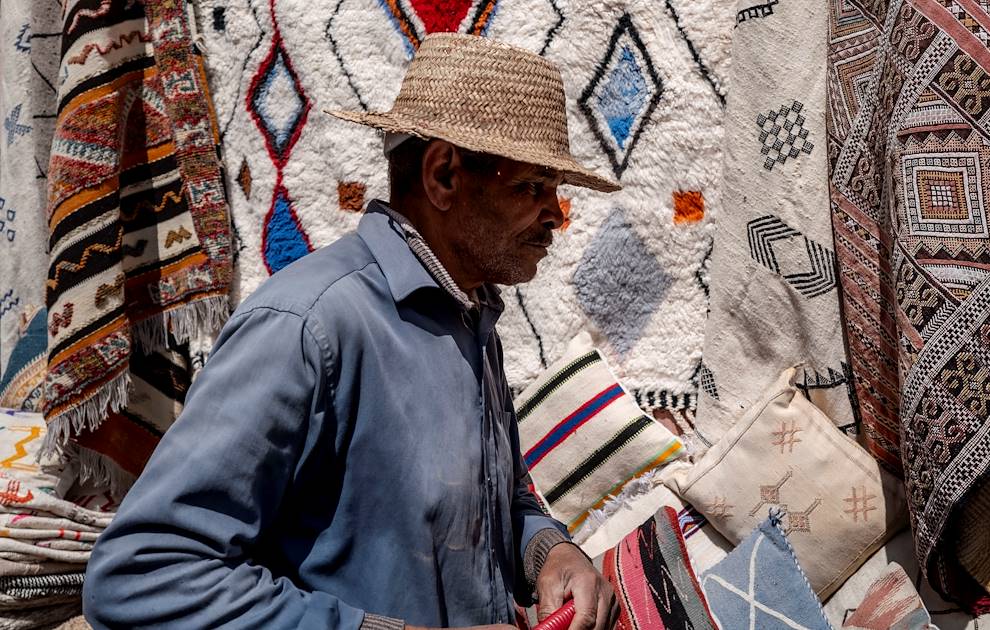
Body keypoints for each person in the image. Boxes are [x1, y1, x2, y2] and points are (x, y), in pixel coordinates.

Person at [83, 34, 624, 630]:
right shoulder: (306, 326)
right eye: (532, 186)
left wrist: (550, 551)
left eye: (555, 190)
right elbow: (144, 575)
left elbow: (493, 503)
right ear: (443, 174)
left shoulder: (469, 319)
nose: (556, 214)